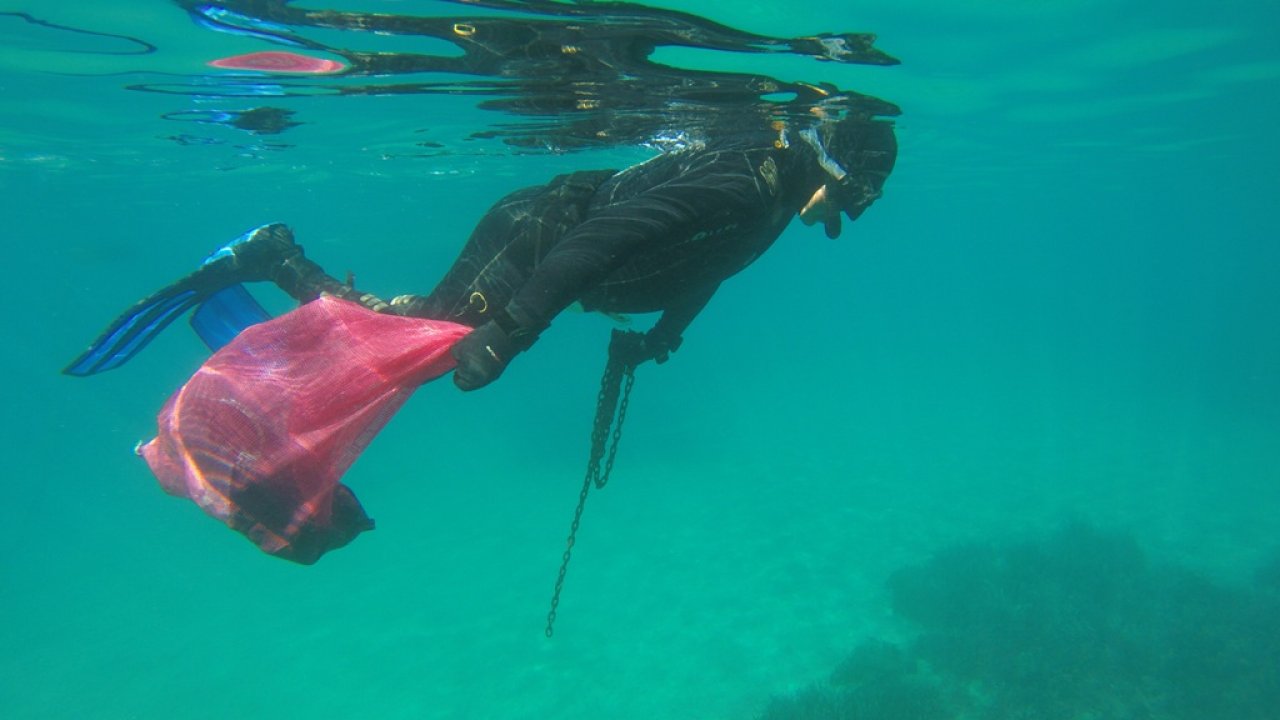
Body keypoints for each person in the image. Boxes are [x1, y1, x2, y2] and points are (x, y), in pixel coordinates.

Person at [64, 114, 897, 388]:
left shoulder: (775, 198)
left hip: (556, 238)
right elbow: (610, 236)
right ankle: (278, 257)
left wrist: (663, 335)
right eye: (847, 200)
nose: (837, 219)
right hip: (542, 231)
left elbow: (711, 263)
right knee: (413, 349)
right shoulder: (747, 184)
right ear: (832, 167)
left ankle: (281, 261)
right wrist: (510, 333)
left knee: (415, 342)